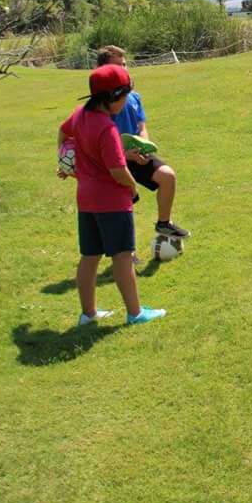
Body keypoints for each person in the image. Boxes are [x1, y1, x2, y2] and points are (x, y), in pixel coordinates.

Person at [57, 64, 166, 325]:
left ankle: (88, 314)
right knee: (122, 256)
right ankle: (135, 313)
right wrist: (132, 186)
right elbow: (118, 170)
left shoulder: (80, 114)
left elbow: (63, 132)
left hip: (86, 199)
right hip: (111, 202)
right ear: (112, 97)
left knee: (90, 256)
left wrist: (65, 161)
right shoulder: (107, 128)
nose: (126, 101)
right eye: (124, 96)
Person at [95, 46, 190, 240]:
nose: (124, 69)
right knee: (124, 203)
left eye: (124, 65)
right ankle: (121, 248)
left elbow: (141, 126)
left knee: (167, 176)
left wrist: (144, 145)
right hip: (113, 160)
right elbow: (98, 141)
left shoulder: (134, 96)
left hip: (136, 153)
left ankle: (164, 224)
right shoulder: (101, 104)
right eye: (118, 66)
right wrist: (126, 155)